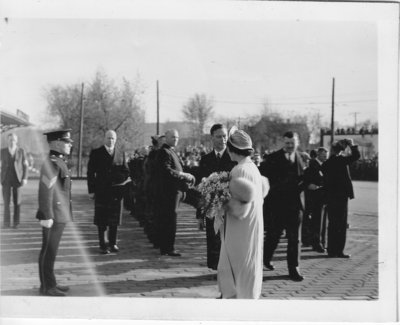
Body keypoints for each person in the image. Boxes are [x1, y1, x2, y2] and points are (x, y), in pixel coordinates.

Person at [217, 126, 268, 299]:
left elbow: (239, 208)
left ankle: (236, 298)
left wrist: (218, 200)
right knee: (248, 260)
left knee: (236, 262)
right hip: (252, 224)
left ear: (232, 149)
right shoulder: (252, 167)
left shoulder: (238, 170)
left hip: (240, 226)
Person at [260, 131, 306, 281]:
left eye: (293, 143)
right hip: (277, 206)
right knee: (273, 236)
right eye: (287, 143)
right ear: (282, 142)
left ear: (297, 142)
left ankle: (294, 268)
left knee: (295, 239)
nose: (290, 146)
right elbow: (264, 181)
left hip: (295, 206)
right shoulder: (272, 159)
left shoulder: (301, 158)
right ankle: (265, 258)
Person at [36, 129, 73, 296]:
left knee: (50, 251)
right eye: (66, 142)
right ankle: (48, 287)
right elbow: (46, 190)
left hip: (58, 213)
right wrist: (47, 215)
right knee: (49, 251)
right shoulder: (52, 162)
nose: (69, 145)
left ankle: (48, 283)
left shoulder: (59, 161)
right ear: (56, 143)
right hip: (54, 215)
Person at [196, 124, 236, 270]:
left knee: (229, 238)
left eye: (225, 136)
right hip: (211, 206)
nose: (223, 139)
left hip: (230, 206)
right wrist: (200, 214)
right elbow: (200, 189)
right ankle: (215, 267)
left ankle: (228, 267)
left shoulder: (233, 158)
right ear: (212, 138)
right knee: (213, 238)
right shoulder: (205, 159)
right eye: (219, 136)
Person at [87, 130, 130, 254]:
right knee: (102, 219)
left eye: (112, 138)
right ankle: (103, 244)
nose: (110, 140)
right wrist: (91, 190)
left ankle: (113, 243)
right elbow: (90, 173)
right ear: (104, 139)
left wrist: (120, 178)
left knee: (114, 219)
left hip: (116, 191)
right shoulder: (96, 153)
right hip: (102, 191)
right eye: (108, 138)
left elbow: (126, 171)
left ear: (116, 140)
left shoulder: (120, 153)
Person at [154, 129, 195, 256]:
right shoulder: (164, 152)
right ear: (166, 138)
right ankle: (168, 248)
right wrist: (182, 174)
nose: (175, 139)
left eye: (177, 137)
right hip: (169, 192)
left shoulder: (171, 151)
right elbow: (166, 170)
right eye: (172, 137)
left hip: (174, 190)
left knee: (169, 219)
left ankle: (166, 247)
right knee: (169, 220)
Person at [322, 138, 360, 258]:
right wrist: (351, 144)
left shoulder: (326, 164)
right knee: (341, 224)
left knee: (332, 223)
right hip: (341, 196)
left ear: (332, 150)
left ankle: (331, 250)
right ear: (341, 151)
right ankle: (338, 250)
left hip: (330, 197)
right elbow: (356, 156)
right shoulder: (342, 161)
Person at [1, 133, 29, 229]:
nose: (12, 141)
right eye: (10, 139)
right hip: (6, 179)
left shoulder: (21, 151)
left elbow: (25, 165)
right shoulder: (2, 151)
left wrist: (25, 178)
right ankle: (6, 223)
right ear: (7, 141)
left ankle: (16, 223)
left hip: (17, 179)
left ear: (16, 141)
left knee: (17, 202)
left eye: (13, 139)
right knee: (6, 202)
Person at [304, 147, 328, 252]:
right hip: (315, 197)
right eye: (323, 155)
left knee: (320, 221)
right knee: (317, 221)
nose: (325, 157)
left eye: (326, 155)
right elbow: (308, 180)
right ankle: (316, 243)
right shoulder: (313, 165)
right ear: (318, 154)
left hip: (321, 197)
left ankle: (320, 242)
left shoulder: (323, 165)